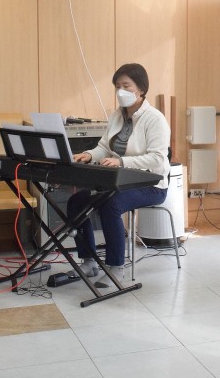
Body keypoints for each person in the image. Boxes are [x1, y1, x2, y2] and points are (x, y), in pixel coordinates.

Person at [68, 63, 170, 281]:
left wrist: (121, 161)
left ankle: (116, 267)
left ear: (141, 88)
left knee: (111, 205)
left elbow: (158, 159)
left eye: (126, 85)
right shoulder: (117, 115)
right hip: (118, 182)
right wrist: (88, 155)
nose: (120, 91)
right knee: (76, 202)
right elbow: (104, 147)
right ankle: (88, 262)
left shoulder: (155, 119)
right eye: (117, 86)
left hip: (151, 185)